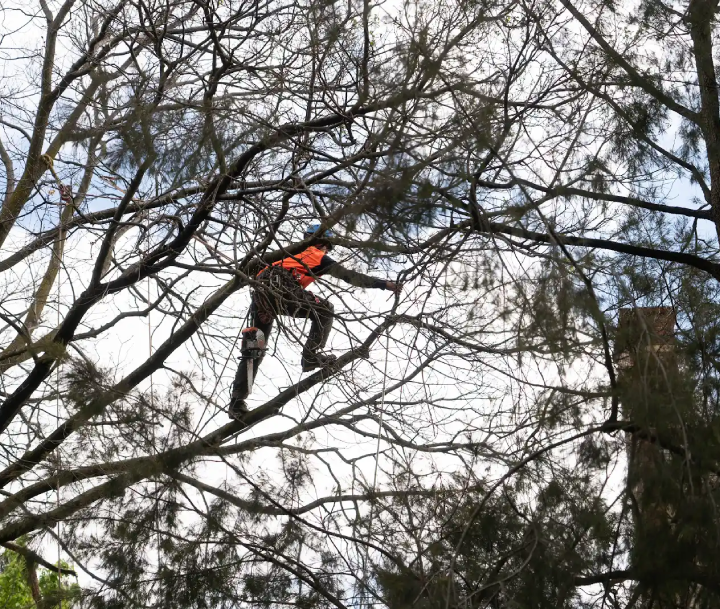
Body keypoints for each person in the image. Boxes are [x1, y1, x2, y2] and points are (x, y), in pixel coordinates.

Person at [228, 223, 401, 419]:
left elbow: (253, 269)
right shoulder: (317, 255)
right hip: (283, 290)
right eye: (327, 246)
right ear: (320, 243)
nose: (327, 250)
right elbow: (351, 277)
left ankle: (236, 403)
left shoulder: (283, 254)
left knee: (254, 348)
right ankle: (310, 356)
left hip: (261, 298)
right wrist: (384, 284)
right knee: (325, 310)